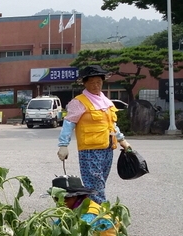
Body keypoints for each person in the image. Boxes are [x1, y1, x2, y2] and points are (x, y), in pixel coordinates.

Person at [56, 65, 132, 204]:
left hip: (107, 148)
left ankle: (89, 209)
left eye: (98, 82)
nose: (95, 85)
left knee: (100, 182)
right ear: (84, 83)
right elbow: (68, 123)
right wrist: (63, 145)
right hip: (90, 150)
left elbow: (111, 124)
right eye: (91, 82)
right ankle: (100, 214)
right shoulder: (79, 102)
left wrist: (122, 140)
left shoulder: (106, 102)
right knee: (95, 182)